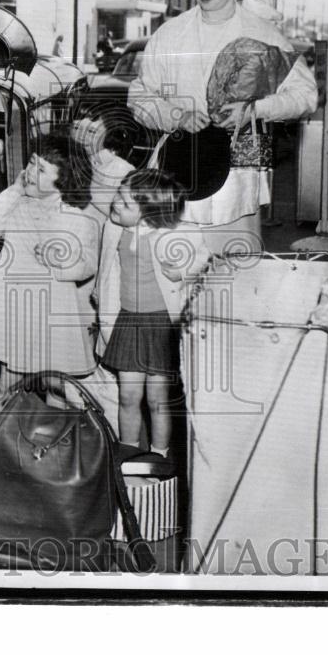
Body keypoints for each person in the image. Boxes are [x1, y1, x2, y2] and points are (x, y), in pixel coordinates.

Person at [128, 0, 318, 254]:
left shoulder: (262, 34)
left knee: (236, 271)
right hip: (179, 168)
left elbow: (306, 96)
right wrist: (176, 116)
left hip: (237, 176)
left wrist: (257, 109)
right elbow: (139, 95)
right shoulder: (170, 33)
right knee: (176, 269)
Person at [0, 132, 99, 408]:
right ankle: (2, 444)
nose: (29, 171)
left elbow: (87, 265)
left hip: (52, 315)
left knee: (55, 386)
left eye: (41, 169)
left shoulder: (76, 218)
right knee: (9, 383)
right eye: (30, 163)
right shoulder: (19, 205)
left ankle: (54, 444)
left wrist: (61, 261)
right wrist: (15, 189)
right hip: (17, 310)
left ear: (62, 179)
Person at [95, 169, 210, 466]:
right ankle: (129, 451)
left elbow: (203, 254)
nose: (116, 204)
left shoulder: (174, 233)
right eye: (118, 196)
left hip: (161, 324)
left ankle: (159, 454)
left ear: (148, 213)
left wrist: (183, 272)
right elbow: (106, 270)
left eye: (125, 203)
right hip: (127, 322)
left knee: (157, 398)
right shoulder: (113, 228)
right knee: (127, 396)